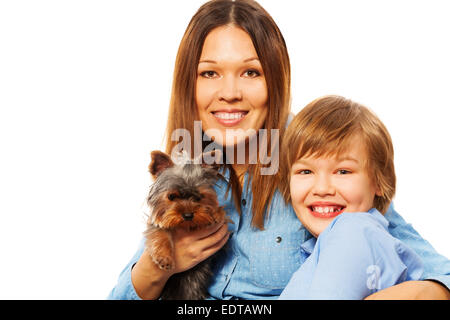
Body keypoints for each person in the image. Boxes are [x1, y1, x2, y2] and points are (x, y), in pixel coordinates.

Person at [108, 0, 450, 300]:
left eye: (251, 72)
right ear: (189, 85)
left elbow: (433, 273)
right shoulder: (188, 169)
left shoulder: (314, 164)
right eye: (209, 73)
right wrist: (158, 268)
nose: (229, 92)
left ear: (275, 80)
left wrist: (420, 291)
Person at [278, 95, 424, 299]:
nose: (322, 188)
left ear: (379, 182)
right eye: (305, 171)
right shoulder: (337, 242)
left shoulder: (353, 232)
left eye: (343, 172)